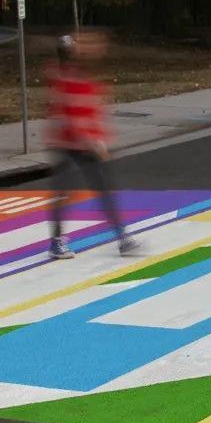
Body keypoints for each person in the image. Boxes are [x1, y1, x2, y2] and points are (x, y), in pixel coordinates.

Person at [45, 29, 135, 258]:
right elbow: (70, 113)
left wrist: (99, 137)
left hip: (82, 144)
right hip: (68, 144)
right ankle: (57, 241)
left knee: (100, 189)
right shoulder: (64, 79)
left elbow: (91, 110)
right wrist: (94, 141)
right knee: (65, 192)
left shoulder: (80, 78)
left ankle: (122, 236)